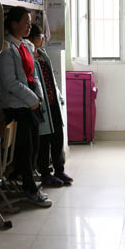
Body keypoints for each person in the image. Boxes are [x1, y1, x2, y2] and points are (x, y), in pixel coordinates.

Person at [0, 7, 52, 207]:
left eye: (30, 22)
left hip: (31, 103)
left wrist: (38, 96)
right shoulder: (6, 48)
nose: (29, 26)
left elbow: (33, 74)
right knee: (25, 149)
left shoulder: (25, 46)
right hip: (17, 106)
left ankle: (26, 180)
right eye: (25, 22)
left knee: (34, 145)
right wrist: (32, 99)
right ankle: (30, 189)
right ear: (13, 24)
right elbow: (10, 82)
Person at [26, 23, 73, 187]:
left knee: (58, 136)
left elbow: (51, 78)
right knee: (44, 141)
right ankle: (45, 174)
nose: (43, 39)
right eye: (41, 36)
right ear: (33, 38)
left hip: (53, 102)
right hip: (42, 105)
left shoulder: (42, 54)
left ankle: (59, 170)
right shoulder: (29, 57)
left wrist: (59, 95)